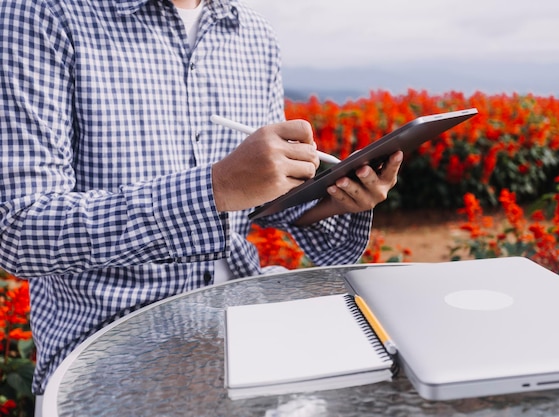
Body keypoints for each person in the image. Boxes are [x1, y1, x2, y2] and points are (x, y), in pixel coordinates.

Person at [0, 0, 403, 403]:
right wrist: (216, 187)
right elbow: (19, 229)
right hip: (112, 354)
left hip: (250, 326)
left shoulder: (252, 33)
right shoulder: (40, 14)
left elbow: (265, 196)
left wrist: (339, 197)